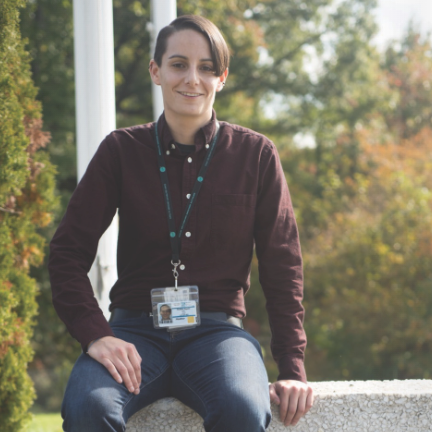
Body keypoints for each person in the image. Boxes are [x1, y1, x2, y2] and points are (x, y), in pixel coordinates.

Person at [49, 15, 313, 432]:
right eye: (178, 64)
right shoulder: (120, 150)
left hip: (218, 335)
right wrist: (96, 334)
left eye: (207, 67)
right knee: (88, 408)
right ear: (156, 71)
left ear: (221, 77)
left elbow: (284, 269)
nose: (192, 78)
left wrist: (292, 368)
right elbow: (66, 254)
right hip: (133, 331)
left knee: (243, 409)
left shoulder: (256, 155)